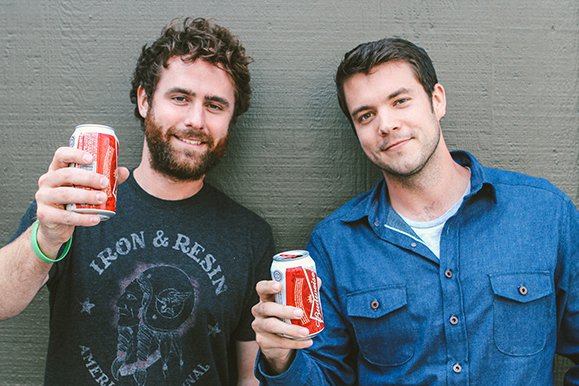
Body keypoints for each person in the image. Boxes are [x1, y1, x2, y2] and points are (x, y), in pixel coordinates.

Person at [251, 37, 578, 385]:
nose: (386, 124)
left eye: (400, 101)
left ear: (437, 100)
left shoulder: (543, 214)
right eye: (366, 115)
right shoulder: (336, 245)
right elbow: (325, 377)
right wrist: (281, 359)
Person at [0, 17, 274, 386]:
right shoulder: (76, 201)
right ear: (145, 100)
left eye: (215, 105)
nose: (195, 120)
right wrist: (46, 236)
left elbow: (249, 376)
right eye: (180, 98)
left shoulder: (250, 235)